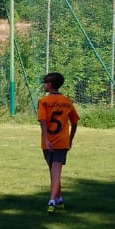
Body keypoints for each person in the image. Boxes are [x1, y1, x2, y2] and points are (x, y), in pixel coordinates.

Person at [35, 72, 80, 212]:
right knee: (54, 173)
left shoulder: (43, 101)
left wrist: (46, 139)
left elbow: (42, 121)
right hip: (62, 142)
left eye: (45, 83)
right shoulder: (67, 101)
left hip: (48, 142)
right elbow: (75, 122)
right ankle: (59, 199)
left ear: (49, 85)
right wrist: (70, 139)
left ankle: (51, 202)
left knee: (55, 172)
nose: (44, 85)